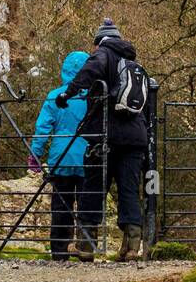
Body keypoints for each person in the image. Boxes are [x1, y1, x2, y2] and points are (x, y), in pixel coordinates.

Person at [56, 18, 147, 262]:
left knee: (93, 188)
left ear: (98, 42)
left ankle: (86, 246)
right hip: (135, 137)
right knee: (129, 190)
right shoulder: (132, 63)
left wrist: (67, 94)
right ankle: (131, 248)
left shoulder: (103, 55)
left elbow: (87, 74)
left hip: (105, 135)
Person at [28, 51, 89, 261]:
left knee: (61, 206)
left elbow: (42, 128)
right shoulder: (94, 96)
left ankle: (59, 251)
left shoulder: (55, 96)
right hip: (87, 159)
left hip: (60, 158)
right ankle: (86, 248)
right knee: (86, 205)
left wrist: (35, 156)